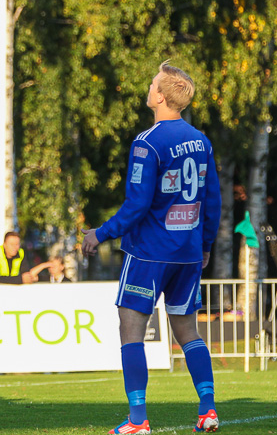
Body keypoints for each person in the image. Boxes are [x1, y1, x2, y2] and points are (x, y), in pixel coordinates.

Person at [81, 61, 221, 434]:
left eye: (153, 81)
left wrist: (101, 233)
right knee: (188, 331)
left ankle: (138, 419)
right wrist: (205, 244)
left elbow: (137, 205)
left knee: (131, 329)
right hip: (189, 252)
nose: (149, 85)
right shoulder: (201, 140)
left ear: (160, 96)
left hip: (149, 252)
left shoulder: (148, 142)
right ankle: (207, 410)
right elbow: (212, 200)